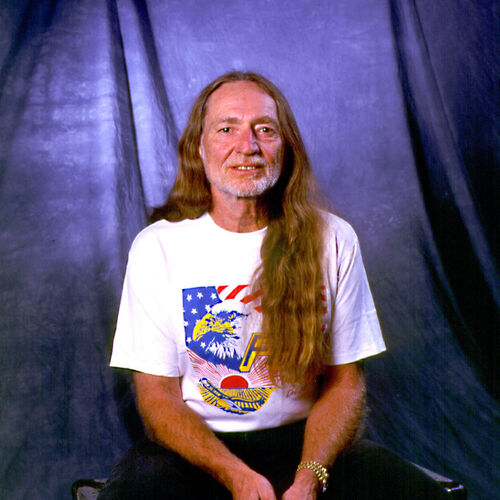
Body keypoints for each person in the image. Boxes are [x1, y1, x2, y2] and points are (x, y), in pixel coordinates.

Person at [99, 72, 449, 499]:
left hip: (307, 446)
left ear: (286, 147)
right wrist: (235, 475)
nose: (247, 146)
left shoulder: (333, 239)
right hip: (196, 451)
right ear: (199, 147)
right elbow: (157, 395)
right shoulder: (158, 247)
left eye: (265, 129)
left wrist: (309, 476)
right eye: (227, 129)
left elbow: (345, 382)